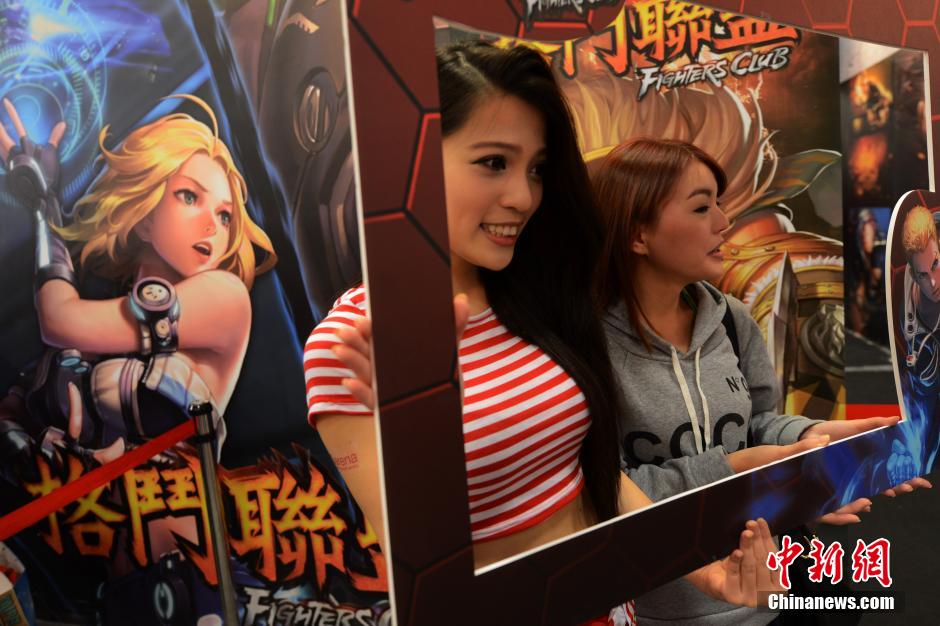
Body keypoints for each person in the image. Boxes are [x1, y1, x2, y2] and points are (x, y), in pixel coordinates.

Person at [305, 42, 800, 623]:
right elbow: (424, 568)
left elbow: (594, 476)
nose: (523, 197)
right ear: (413, 158)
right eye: (494, 162)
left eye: (536, 169)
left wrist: (698, 568)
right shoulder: (355, 343)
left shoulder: (539, 301)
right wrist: (421, 420)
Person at [593, 138, 930, 625]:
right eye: (701, 207)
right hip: (664, 609)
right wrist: (740, 468)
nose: (723, 221)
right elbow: (604, 491)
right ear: (637, 233)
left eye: (720, 203)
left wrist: (814, 437)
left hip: (773, 591)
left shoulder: (729, 318)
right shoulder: (587, 349)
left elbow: (758, 422)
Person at [0, 93, 276, 468]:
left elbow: (60, 320)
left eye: (225, 215)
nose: (212, 226)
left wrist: (43, 205)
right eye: (190, 197)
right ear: (145, 217)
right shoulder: (105, 335)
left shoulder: (226, 299)